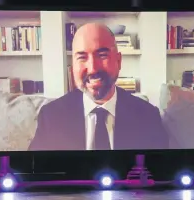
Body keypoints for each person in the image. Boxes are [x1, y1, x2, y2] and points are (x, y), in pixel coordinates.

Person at [28, 23, 169, 151]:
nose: (93, 69)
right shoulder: (51, 116)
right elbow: (36, 172)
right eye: (82, 57)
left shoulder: (148, 117)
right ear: (72, 66)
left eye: (102, 55)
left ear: (118, 61)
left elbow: (159, 173)